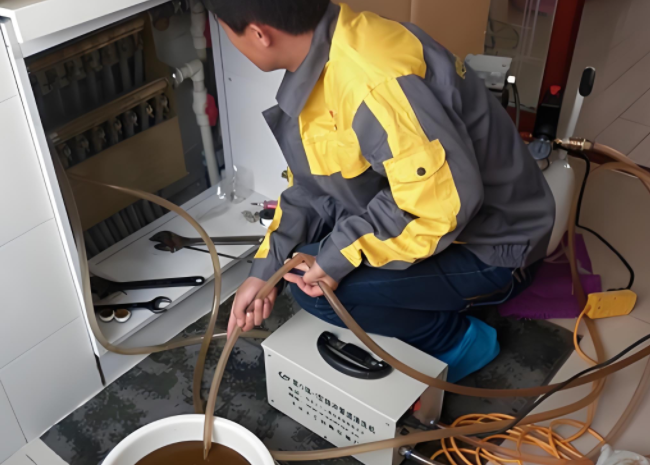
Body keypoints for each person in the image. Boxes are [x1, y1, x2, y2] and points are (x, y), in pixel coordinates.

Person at [206, 0, 555, 382]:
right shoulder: (333, 47)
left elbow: (439, 207)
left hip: (496, 245)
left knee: (315, 291)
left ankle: (459, 342)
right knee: (304, 261)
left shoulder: (374, 82)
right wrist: (266, 269)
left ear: (259, 34)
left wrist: (337, 256)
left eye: (226, 29)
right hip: (447, 210)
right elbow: (312, 187)